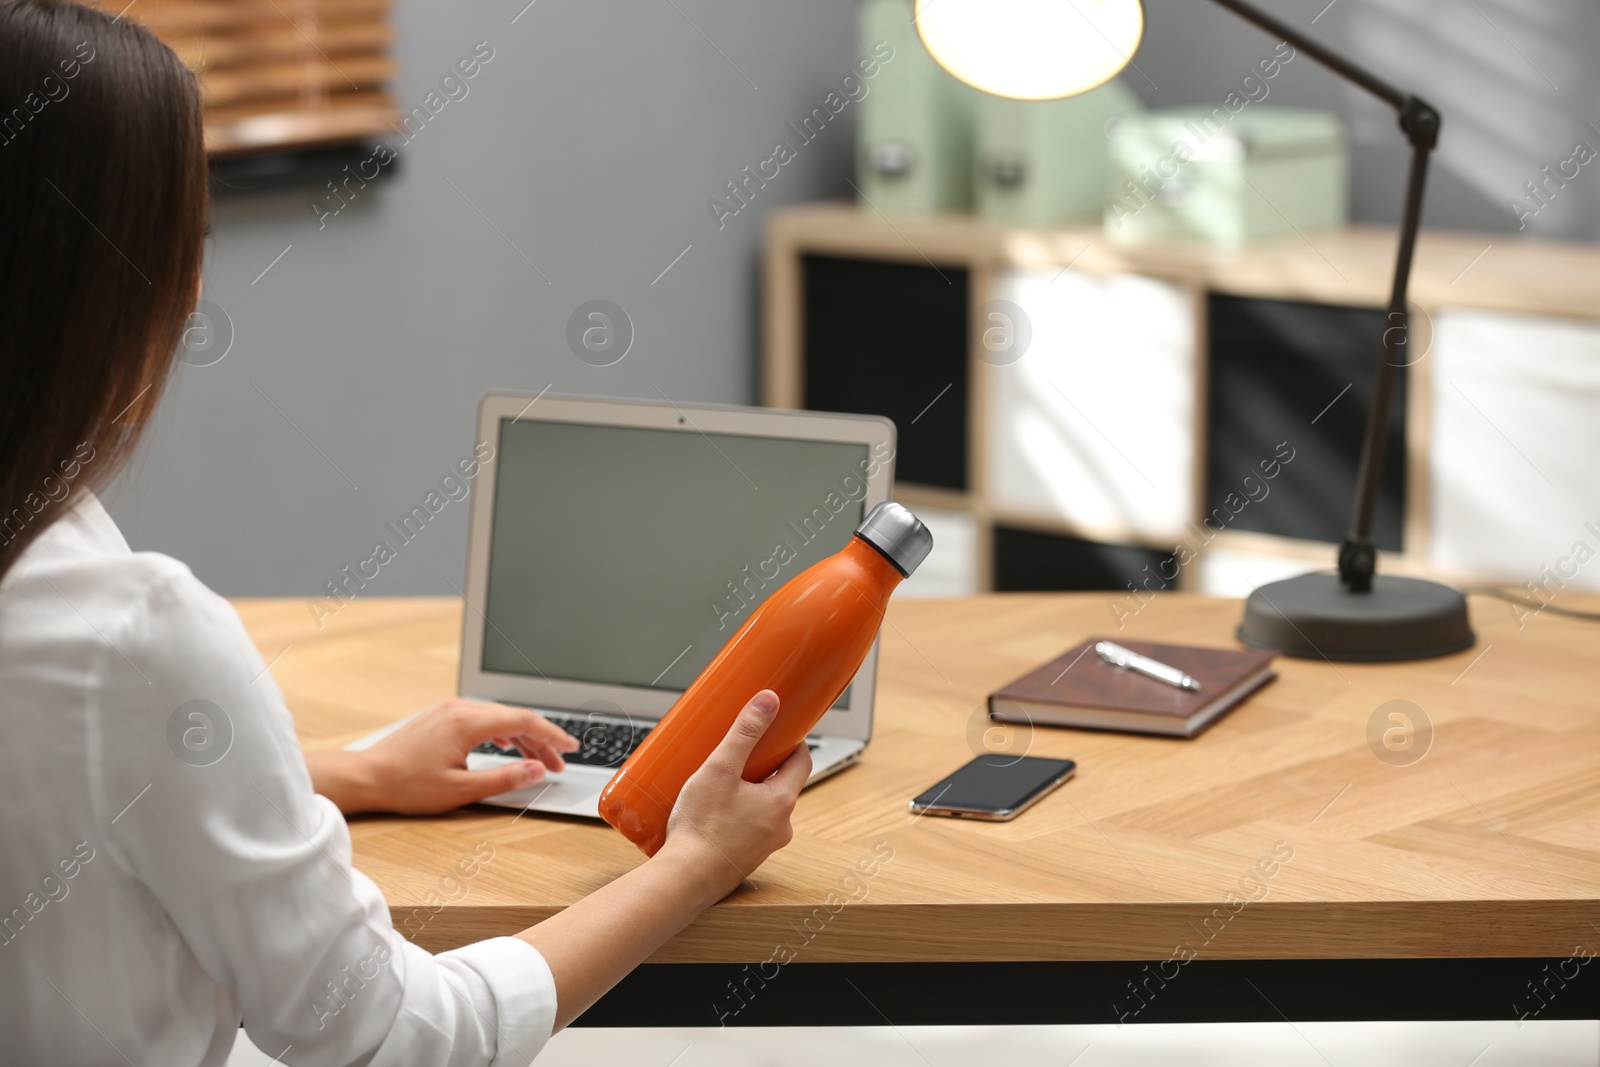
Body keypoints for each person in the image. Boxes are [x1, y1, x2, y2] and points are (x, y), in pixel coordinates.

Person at [0, 2, 811, 1063]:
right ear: (149, 285)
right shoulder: (133, 633)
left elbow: (57, 773)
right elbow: (390, 1037)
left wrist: (346, 770)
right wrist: (694, 861)